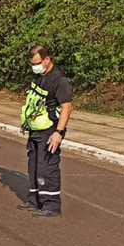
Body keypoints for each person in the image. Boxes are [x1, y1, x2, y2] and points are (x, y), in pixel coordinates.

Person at [20, 44, 74, 217]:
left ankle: (51, 204)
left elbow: (67, 107)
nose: (34, 66)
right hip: (35, 131)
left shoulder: (59, 80)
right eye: (32, 63)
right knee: (34, 166)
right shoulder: (38, 77)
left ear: (47, 60)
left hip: (50, 131)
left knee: (47, 167)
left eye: (37, 63)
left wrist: (58, 132)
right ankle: (35, 199)